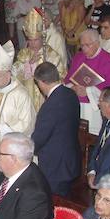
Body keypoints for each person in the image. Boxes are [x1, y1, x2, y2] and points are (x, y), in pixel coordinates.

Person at [31, 62, 82, 197]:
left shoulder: (50, 105)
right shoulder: (70, 94)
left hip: (54, 166)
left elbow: (40, 137)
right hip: (69, 160)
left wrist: (28, 149)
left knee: (52, 201)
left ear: (42, 82)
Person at [66, 29, 110, 135]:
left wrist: (88, 91)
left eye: (87, 45)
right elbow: (68, 79)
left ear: (97, 43)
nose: (84, 49)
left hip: (95, 109)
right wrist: (73, 88)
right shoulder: (78, 57)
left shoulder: (109, 61)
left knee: (92, 136)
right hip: (76, 104)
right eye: (82, 45)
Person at [12, 10, 65, 111]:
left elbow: (60, 76)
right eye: (30, 40)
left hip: (45, 97)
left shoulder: (51, 54)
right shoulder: (24, 54)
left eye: (36, 40)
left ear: (42, 38)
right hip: (27, 96)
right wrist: (28, 64)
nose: (32, 44)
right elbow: (14, 74)